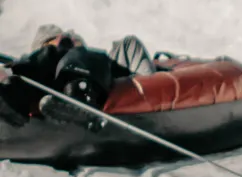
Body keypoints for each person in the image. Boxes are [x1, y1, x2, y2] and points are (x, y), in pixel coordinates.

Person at [0, 27, 158, 127]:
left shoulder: (91, 57)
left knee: (76, 55)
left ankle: (79, 97)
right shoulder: (41, 59)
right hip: (49, 85)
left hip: (90, 85)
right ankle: (11, 97)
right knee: (43, 59)